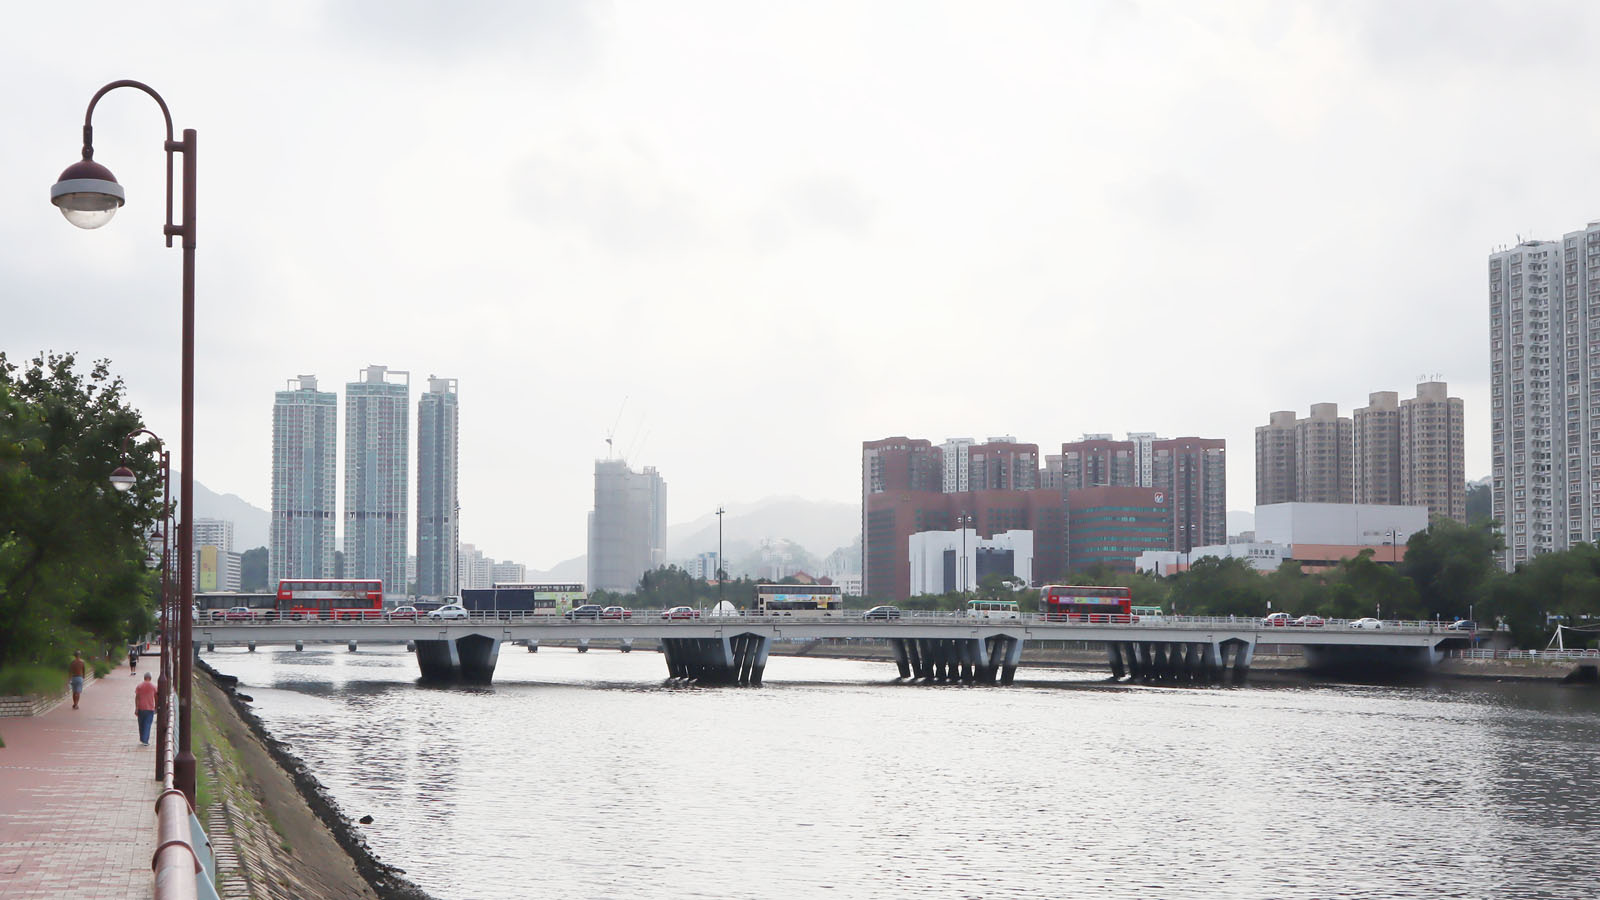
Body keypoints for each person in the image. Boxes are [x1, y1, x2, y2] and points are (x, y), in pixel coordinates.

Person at [134, 673, 157, 745]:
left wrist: (136, 708)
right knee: (147, 724)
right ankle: (145, 740)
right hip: (150, 708)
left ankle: (142, 738)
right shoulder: (153, 686)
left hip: (141, 708)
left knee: (141, 724)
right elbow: (156, 697)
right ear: (150, 678)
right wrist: (156, 706)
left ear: (144, 678)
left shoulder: (139, 686)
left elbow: (137, 697)